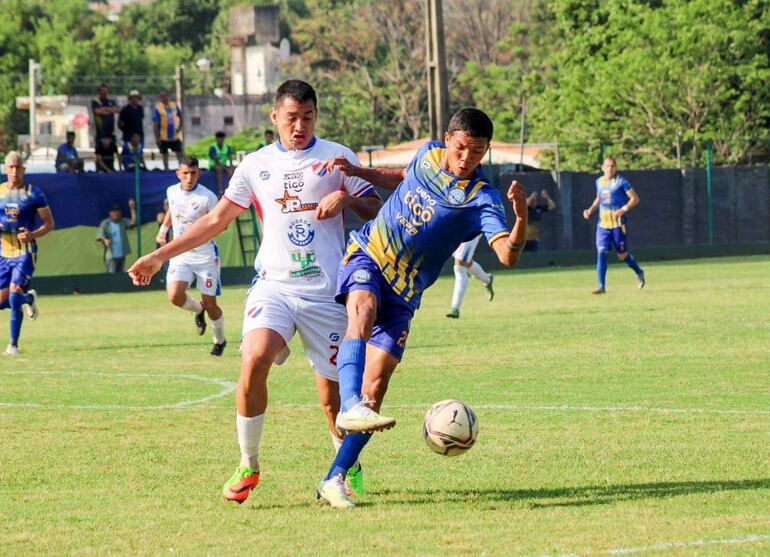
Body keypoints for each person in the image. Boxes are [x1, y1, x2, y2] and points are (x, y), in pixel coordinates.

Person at [128, 80, 382, 505]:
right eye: (291, 118)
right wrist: (159, 255)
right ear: (275, 118)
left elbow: (375, 206)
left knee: (332, 399)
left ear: (316, 116)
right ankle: (249, 464)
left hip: (325, 293)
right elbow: (215, 221)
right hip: (274, 287)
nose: (299, 126)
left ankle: (346, 466)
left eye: (307, 117)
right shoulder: (255, 165)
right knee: (253, 357)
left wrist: (345, 198)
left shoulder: (338, 158)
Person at [315, 107, 528, 508]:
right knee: (361, 312)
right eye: (462, 148)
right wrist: (360, 174)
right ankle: (349, 407)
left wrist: (520, 217)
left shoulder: (482, 198)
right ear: (448, 139)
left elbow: (506, 255)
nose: (467, 158)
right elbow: (401, 177)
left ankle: (335, 477)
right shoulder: (428, 154)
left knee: (375, 388)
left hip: (406, 292)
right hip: (369, 255)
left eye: (478, 152)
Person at [155, 156, 226, 356]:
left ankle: (219, 340)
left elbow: (221, 223)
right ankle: (197, 310)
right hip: (181, 253)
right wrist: (163, 229)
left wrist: (203, 233)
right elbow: (172, 209)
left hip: (204, 256)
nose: (189, 177)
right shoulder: (172, 191)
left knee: (211, 304)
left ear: (198, 174)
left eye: (193, 173)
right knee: (175, 296)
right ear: (178, 174)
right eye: (185, 173)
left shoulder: (208, 197)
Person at [0, 152, 55, 355]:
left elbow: (49, 224)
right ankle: (28, 300)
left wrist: (32, 234)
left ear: (24, 169)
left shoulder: (34, 194)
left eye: (18, 167)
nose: (15, 171)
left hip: (25, 252)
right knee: (4, 301)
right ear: (5, 169)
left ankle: (13, 345)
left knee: (14, 295)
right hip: (3, 254)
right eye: (11, 167)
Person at [582, 157, 645, 294]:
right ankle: (601, 286)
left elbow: (635, 199)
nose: (610, 169)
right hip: (603, 225)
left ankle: (638, 271)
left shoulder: (621, 182)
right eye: (607, 166)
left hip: (618, 225)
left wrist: (623, 209)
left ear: (615, 168)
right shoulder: (599, 182)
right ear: (602, 168)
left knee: (622, 256)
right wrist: (590, 210)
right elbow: (599, 198)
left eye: (612, 166)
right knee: (601, 252)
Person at [445, 234, 495, 319]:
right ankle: (487, 279)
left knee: (460, 265)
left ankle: (455, 307)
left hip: (470, 225)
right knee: (467, 262)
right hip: (456, 226)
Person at [97, 200, 137, 273]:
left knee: (120, 274)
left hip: (121, 254)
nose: (117, 213)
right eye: (114, 212)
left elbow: (133, 222)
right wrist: (105, 240)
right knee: (111, 274)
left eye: (118, 211)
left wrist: (132, 208)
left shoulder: (122, 222)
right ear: (110, 213)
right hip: (111, 255)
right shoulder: (105, 223)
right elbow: (100, 236)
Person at [152, 91, 183, 170]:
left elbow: (180, 116)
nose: (163, 98)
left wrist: (180, 127)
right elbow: (155, 124)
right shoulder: (158, 108)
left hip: (174, 136)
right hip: (163, 136)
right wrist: (157, 137)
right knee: (165, 154)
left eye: (165, 96)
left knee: (179, 152)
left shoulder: (174, 105)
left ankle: (181, 168)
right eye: (162, 97)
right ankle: (166, 168)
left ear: (167, 96)